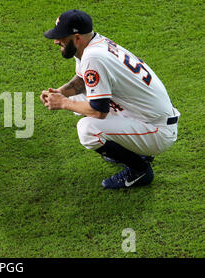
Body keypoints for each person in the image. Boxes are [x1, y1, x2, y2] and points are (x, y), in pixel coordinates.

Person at [40, 10, 180, 189]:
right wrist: (62, 93)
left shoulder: (93, 57)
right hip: (147, 113)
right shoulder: (93, 44)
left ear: (76, 38)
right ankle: (131, 149)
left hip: (158, 130)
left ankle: (139, 170)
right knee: (80, 98)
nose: (56, 41)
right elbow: (83, 79)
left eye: (61, 37)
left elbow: (99, 111)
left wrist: (63, 103)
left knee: (88, 129)